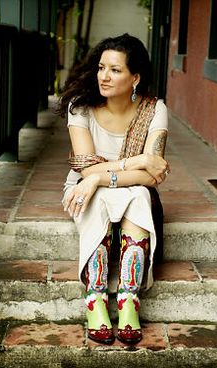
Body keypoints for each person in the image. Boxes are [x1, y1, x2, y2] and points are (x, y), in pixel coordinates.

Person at [58, 33, 170, 345]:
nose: (104, 76)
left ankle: (129, 299)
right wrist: (136, 161)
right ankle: (95, 298)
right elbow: (85, 169)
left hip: (133, 189)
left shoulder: (154, 109)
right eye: (101, 67)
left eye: (115, 70)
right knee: (100, 195)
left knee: (137, 196)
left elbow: (152, 176)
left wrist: (99, 175)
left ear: (135, 77)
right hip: (85, 190)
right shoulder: (80, 107)